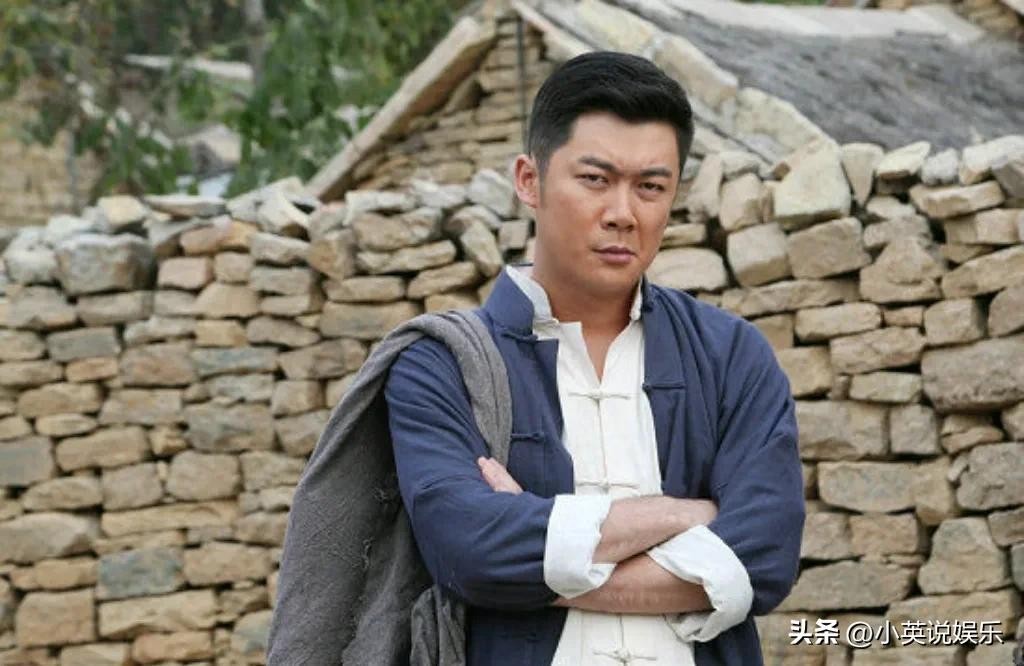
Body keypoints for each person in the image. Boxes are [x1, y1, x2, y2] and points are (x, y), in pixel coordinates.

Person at [383, 51, 805, 666]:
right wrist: (681, 515)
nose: (623, 214)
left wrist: (539, 554)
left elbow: (764, 554)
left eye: (650, 187)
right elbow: (469, 549)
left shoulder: (731, 356)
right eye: (595, 179)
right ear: (529, 181)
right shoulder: (443, 365)